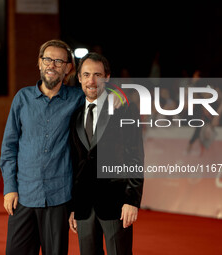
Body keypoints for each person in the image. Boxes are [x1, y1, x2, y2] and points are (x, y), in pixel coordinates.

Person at [0, 40, 123, 255]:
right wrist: (10, 187)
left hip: (58, 199)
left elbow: (100, 90)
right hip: (25, 197)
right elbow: (9, 147)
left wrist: (116, 96)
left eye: (59, 61)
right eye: (47, 59)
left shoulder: (77, 98)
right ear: (39, 63)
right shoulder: (22, 99)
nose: (52, 65)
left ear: (68, 68)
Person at [68, 53, 144, 255]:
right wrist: (74, 206)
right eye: (86, 74)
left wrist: (132, 200)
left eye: (97, 75)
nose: (91, 80)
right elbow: (76, 163)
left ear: (107, 77)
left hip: (116, 203)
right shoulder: (75, 115)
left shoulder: (124, 109)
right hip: (84, 207)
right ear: (79, 78)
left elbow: (135, 155)